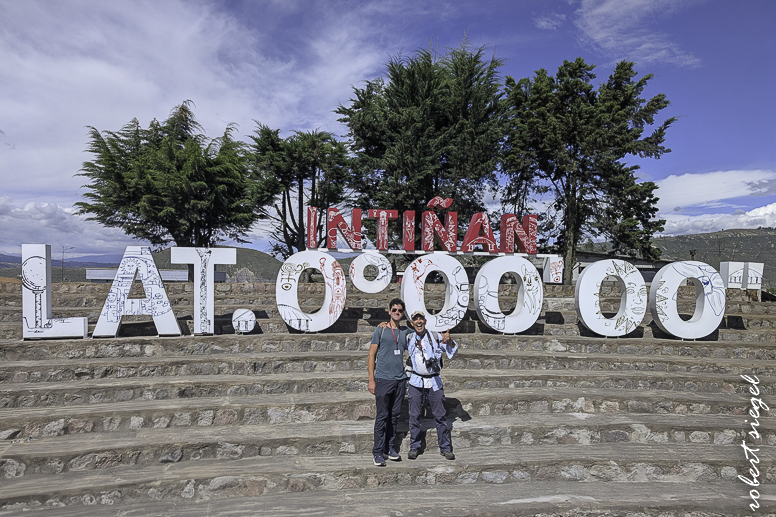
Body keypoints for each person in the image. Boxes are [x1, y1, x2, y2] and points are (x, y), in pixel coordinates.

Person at [405, 310, 458, 460]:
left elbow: (452, 350)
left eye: (421, 319)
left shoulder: (435, 336)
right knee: (414, 415)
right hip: (416, 381)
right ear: (412, 323)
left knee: (440, 416)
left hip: (434, 381)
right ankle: (415, 446)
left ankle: (445, 447)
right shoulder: (409, 338)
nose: (419, 322)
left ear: (425, 321)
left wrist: (450, 340)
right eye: (416, 320)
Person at [368, 298, 409, 466]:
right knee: (382, 417)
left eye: (400, 310)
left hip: (400, 380)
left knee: (394, 416)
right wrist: (371, 379)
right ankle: (377, 452)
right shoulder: (381, 330)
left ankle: (390, 448)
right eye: (394, 310)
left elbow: (421, 330)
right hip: (383, 379)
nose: (397, 312)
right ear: (389, 311)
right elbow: (372, 355)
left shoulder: (406, 331)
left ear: (403, 313)